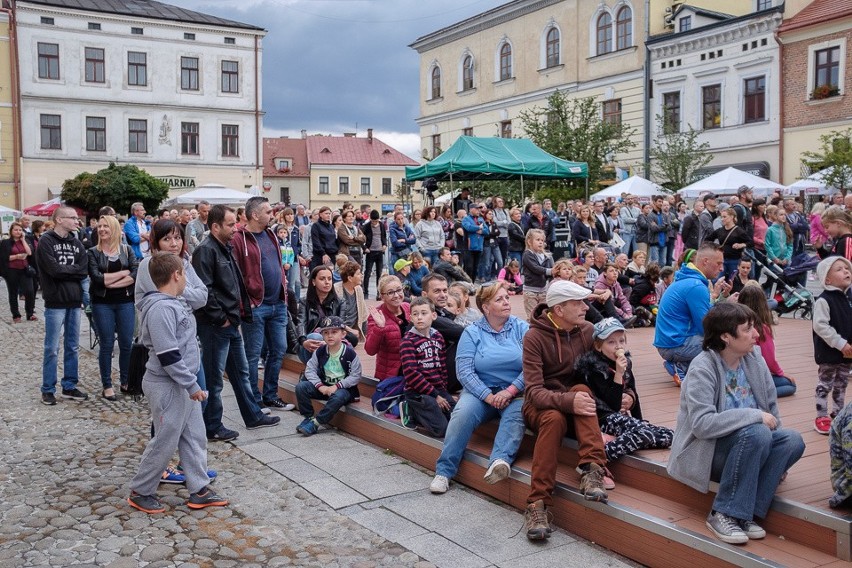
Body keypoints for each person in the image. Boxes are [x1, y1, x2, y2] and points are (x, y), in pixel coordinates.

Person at [666, 302, 805, 545]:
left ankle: (747, 514)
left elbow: (770, 407)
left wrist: (777, 459)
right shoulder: (702, 367)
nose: (756, 334)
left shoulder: (754, 359)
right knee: (758, 431)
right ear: (726, 336)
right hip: (708, 451)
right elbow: (702, 424)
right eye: (748, 329)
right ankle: (724, 513)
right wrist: (753, 416)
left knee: (792, 441)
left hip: (750, 446)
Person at [128, 253, 227, 514]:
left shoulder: (174, 303)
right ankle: (141, 490)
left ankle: (199, 488)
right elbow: (168, 355)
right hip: (167, 385)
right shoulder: (161, 308)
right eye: (185, 273)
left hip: (182, 383)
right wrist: (192, 385)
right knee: (166, 439)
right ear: (176, 275)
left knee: (194, 435)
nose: (187, 279)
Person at [522, 280, 609, 541]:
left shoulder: (587, 330)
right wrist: (569, 401)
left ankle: (593, 469)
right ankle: (537, 504)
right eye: (578, 303)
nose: (585, 307)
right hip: (543, 407)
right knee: (554, 417)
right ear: (559, 310)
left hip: (577, 404)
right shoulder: (534, 337)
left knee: (582, 389)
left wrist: (626, 393)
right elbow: (534, 393)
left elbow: (610, 361)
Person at [191, 205, 280, 442]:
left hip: (230, 321)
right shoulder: (206, 250)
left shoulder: (225, 247)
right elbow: (205, 290)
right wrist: (220, 318)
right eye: (230, 224)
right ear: (215, 226)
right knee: (214, 378)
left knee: (240, 372)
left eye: (235, 223)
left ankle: (253, 415)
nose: (235, 228)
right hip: (215, 325)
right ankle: (212, 425)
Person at [429, 282, 528, 495]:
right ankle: (444, 472)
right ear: (485, 307)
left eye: (507, 298)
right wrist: (488, 396)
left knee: (515, 416)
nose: (506, 302)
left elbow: (532, 366)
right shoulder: (472, 332)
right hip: (480, 391)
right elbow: (464, 371)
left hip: (515, 392)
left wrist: (510, 391)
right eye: (499, 299)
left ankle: (499, 461)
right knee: (462, 414)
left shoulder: (521, 328)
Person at [575, 318, 673, 464]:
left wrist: (639, 420)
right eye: (611, 342)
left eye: (621, 341)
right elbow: (613, 405)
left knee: (668, 435)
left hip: (622, 419)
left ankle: (619, 440)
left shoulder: (625, 363)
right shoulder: (594, 369)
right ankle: (602, 455)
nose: (618, 346)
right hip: (604, 419)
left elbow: (633, 391)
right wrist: (618, 374)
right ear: (598, 346)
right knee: (642, 433)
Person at [231, 196, 294, 413]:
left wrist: (283, 288)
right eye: (267, 211)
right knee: (252, 354)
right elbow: (235, 273)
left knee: (278, 350)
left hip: (277, 303)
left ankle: (270, 395)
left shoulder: (271, 234)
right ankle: (253, 401)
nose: (272, 214)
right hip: (256, 305)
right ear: (255, 215)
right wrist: (245, 301)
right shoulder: (239, 238)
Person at [654, 243, 730, 385]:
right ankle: (681, 366)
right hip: (674, 345)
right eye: (719, 263)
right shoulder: (696, 286)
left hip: (668, 342)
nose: (721, 268)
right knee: (725, 343)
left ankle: (685, 365)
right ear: (705, 261)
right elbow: (705, 327)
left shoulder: (687, 279)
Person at [36, 207, 89, 405]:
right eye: (73, 218)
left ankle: (69, 386)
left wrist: (68, 271)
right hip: (55, 301)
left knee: (72, 346)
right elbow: (53, 270)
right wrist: (71, 271)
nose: (77, 221)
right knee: (52, 347)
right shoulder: (46, 241)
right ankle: (48, 388)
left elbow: (83, 270)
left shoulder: (76, 243)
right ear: (59, 219)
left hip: (74, 301)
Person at [87, 215, 138, 401]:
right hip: (102, 303)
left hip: (125, 302)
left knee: (126, 344)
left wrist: (111, 281)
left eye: (105, 226)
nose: (101, 229)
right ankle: (107, 385)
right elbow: (97, 278)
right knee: (107, 345)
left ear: (114, 228)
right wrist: (122, 275)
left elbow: (134, 273)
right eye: (99, 226)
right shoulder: (93, 252)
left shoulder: (127, 250)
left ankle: (126, 381)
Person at [295, 316, 362, 436]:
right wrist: (320, 386)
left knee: (338, 397)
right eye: (326, 333)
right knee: (301, 387)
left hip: (343, 390)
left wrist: (337, 386)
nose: (330, 336)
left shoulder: (349, 353)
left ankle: (317, 422)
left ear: (343, 334)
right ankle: (308, 417)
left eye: (334, 332)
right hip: (325, 388)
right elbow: (309, 370)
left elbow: (355, 376)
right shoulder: (320, 351)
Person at [400, 297, 455, 437]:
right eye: (415, 314)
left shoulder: (438, 337)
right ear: (410, 317)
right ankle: (411, 409)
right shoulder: (408, 341)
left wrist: (444, 392)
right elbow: (411, 374)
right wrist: (435, 396)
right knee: (441, 430)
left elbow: (442, 366)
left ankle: (433, 407)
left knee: (457, 420)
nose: (420, 317)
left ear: (433, 315)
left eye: (424, 313)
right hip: (418, 392)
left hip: (437, 390)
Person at [813, 256, 852, 434]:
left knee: (841, 383)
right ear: (827, 279)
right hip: (829, 351)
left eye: (847, 268)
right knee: (825, 383)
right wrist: (840, 343)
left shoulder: (848, 298)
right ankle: (821, 415)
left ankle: (838, 413)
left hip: (846, 352)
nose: (846, 271)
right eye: (839, 269)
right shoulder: (824, 300)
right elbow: (820, 325)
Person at [736, 284, 796, 397]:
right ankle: (756, 394)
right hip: (755, 374)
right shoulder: (761, 328)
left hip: (740, 371)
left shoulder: (737, 322)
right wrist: (781, 373)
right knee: (791, 385)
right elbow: (769, 359)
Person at [421, 274, 465, 393]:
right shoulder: (425, 315)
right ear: (425, 295)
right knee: (467, 341)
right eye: (437, 291)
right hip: (431, 382)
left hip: (439, 374)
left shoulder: (443, 313)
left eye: (445, 290)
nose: (443, 295)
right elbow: (462, 332)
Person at [365, 274, 412, 379]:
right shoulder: (376, 316)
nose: (396, 295)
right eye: (390, 292)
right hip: (392, 373)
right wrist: (380, 327)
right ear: (382, 297)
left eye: (399, 290)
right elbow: (370, 350)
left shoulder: (409, 308)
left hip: (413, 368)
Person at [0, 222, 36, 323]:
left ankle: (30, 313)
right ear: (11, 231)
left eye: (20, 230)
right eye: (16, 230)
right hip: (11, 270)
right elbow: (3, 258)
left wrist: (23, 240)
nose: (18, 232)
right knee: (13, 292)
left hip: (25, 269)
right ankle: (16, 315)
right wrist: (17, 256)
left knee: (29, 291)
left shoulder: (26, 240)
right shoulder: (5, 242)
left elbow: (29, 253)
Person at [521, 229, 553, 319]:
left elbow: (549, 272)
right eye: (537, 240)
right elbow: (535, 268)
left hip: (543, 290)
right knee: (532, 316)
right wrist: (550, 271)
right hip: (530, 291)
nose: (540, 243)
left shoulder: (546, 256)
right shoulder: (527, 254)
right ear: (529, 241)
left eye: (542, 240)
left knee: (544, 315)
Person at [334, 260, 368, 344]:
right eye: (358, 274)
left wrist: (365, 334)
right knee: (352, 339)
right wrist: (349, 330)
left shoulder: (358, 289)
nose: (361, 276)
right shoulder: (336, 289)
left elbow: (363, 315)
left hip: (354, 329)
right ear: (350, 278)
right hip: (339, 328)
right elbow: (334, 317)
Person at [276, 209, 302, 301]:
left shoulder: (296, 229)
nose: (290, 216)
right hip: (282, 258)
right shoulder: (279, 227)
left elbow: (299, 244)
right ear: (284, 216)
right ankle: (286, 300)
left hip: (293, 258)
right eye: (288, 214)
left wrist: (297, 253)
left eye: (291, 214)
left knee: (295, 281)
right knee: (284, 280)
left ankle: (296, 301)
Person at [361, 209, 387, 299]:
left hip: (379, 251)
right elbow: (360, 238)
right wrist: (365, 248)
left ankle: (379, 292)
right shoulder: (367, 226)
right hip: (370, 251)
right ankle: (365, 292)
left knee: (379, 274)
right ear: (370, 219)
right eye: (373, 221)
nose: (374, 223)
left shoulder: (381, 225)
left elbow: (384, 236)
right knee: (368, 272)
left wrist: (384, 245)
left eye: (376, 221)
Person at [461, 204, 488, 281]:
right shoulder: (466, 219)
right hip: (469, 247)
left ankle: (472, 284)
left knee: (475, 268)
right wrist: (479, 227)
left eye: (479, 209)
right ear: (471, 209)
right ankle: (466, 284)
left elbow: (487, 231)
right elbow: (469, 227)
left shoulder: (481, 219)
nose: (478, 211)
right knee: (469, 267)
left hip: (479, 247)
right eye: (476, 209)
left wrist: (481, 231)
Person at [310, 206, 338, 270]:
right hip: (321, 255)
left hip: (332, 254)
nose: (328, 215)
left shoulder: (331, 226)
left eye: (329, 214)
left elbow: (333, 240)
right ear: (320, 215)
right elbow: (316, 241)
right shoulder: (316, 226)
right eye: (326, 213)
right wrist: (323, 254)